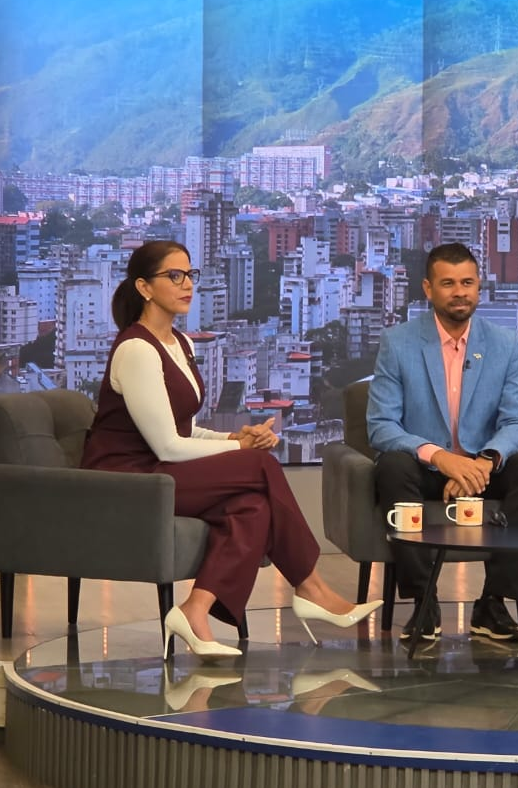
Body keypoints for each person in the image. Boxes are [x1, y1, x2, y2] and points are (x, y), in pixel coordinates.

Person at [81, 240, 380, 660]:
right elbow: (166, 444)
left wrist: (234, 439)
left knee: (251, 506)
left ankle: (195, 610)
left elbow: (183, 429)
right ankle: (310, 586)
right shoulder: (136, 349)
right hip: (126, 479)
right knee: (261, 467)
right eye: (174, 276)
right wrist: (241, 450)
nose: (187, 285)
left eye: (190, 275)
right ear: (144, 287)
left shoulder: (179, 343)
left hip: (160, 469)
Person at [367, 242, 518, 642]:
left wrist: (482, 463)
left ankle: (493, 603)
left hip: (481, 469)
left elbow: (517, 422)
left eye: (467, 283)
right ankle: (424, 603)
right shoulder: (398, 342)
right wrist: (441, 458)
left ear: (479, 287)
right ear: (428, 289)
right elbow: (381, 426)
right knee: (393, 466)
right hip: (425, 469)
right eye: (448, 283)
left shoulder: (504, 343)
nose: (459, 292)